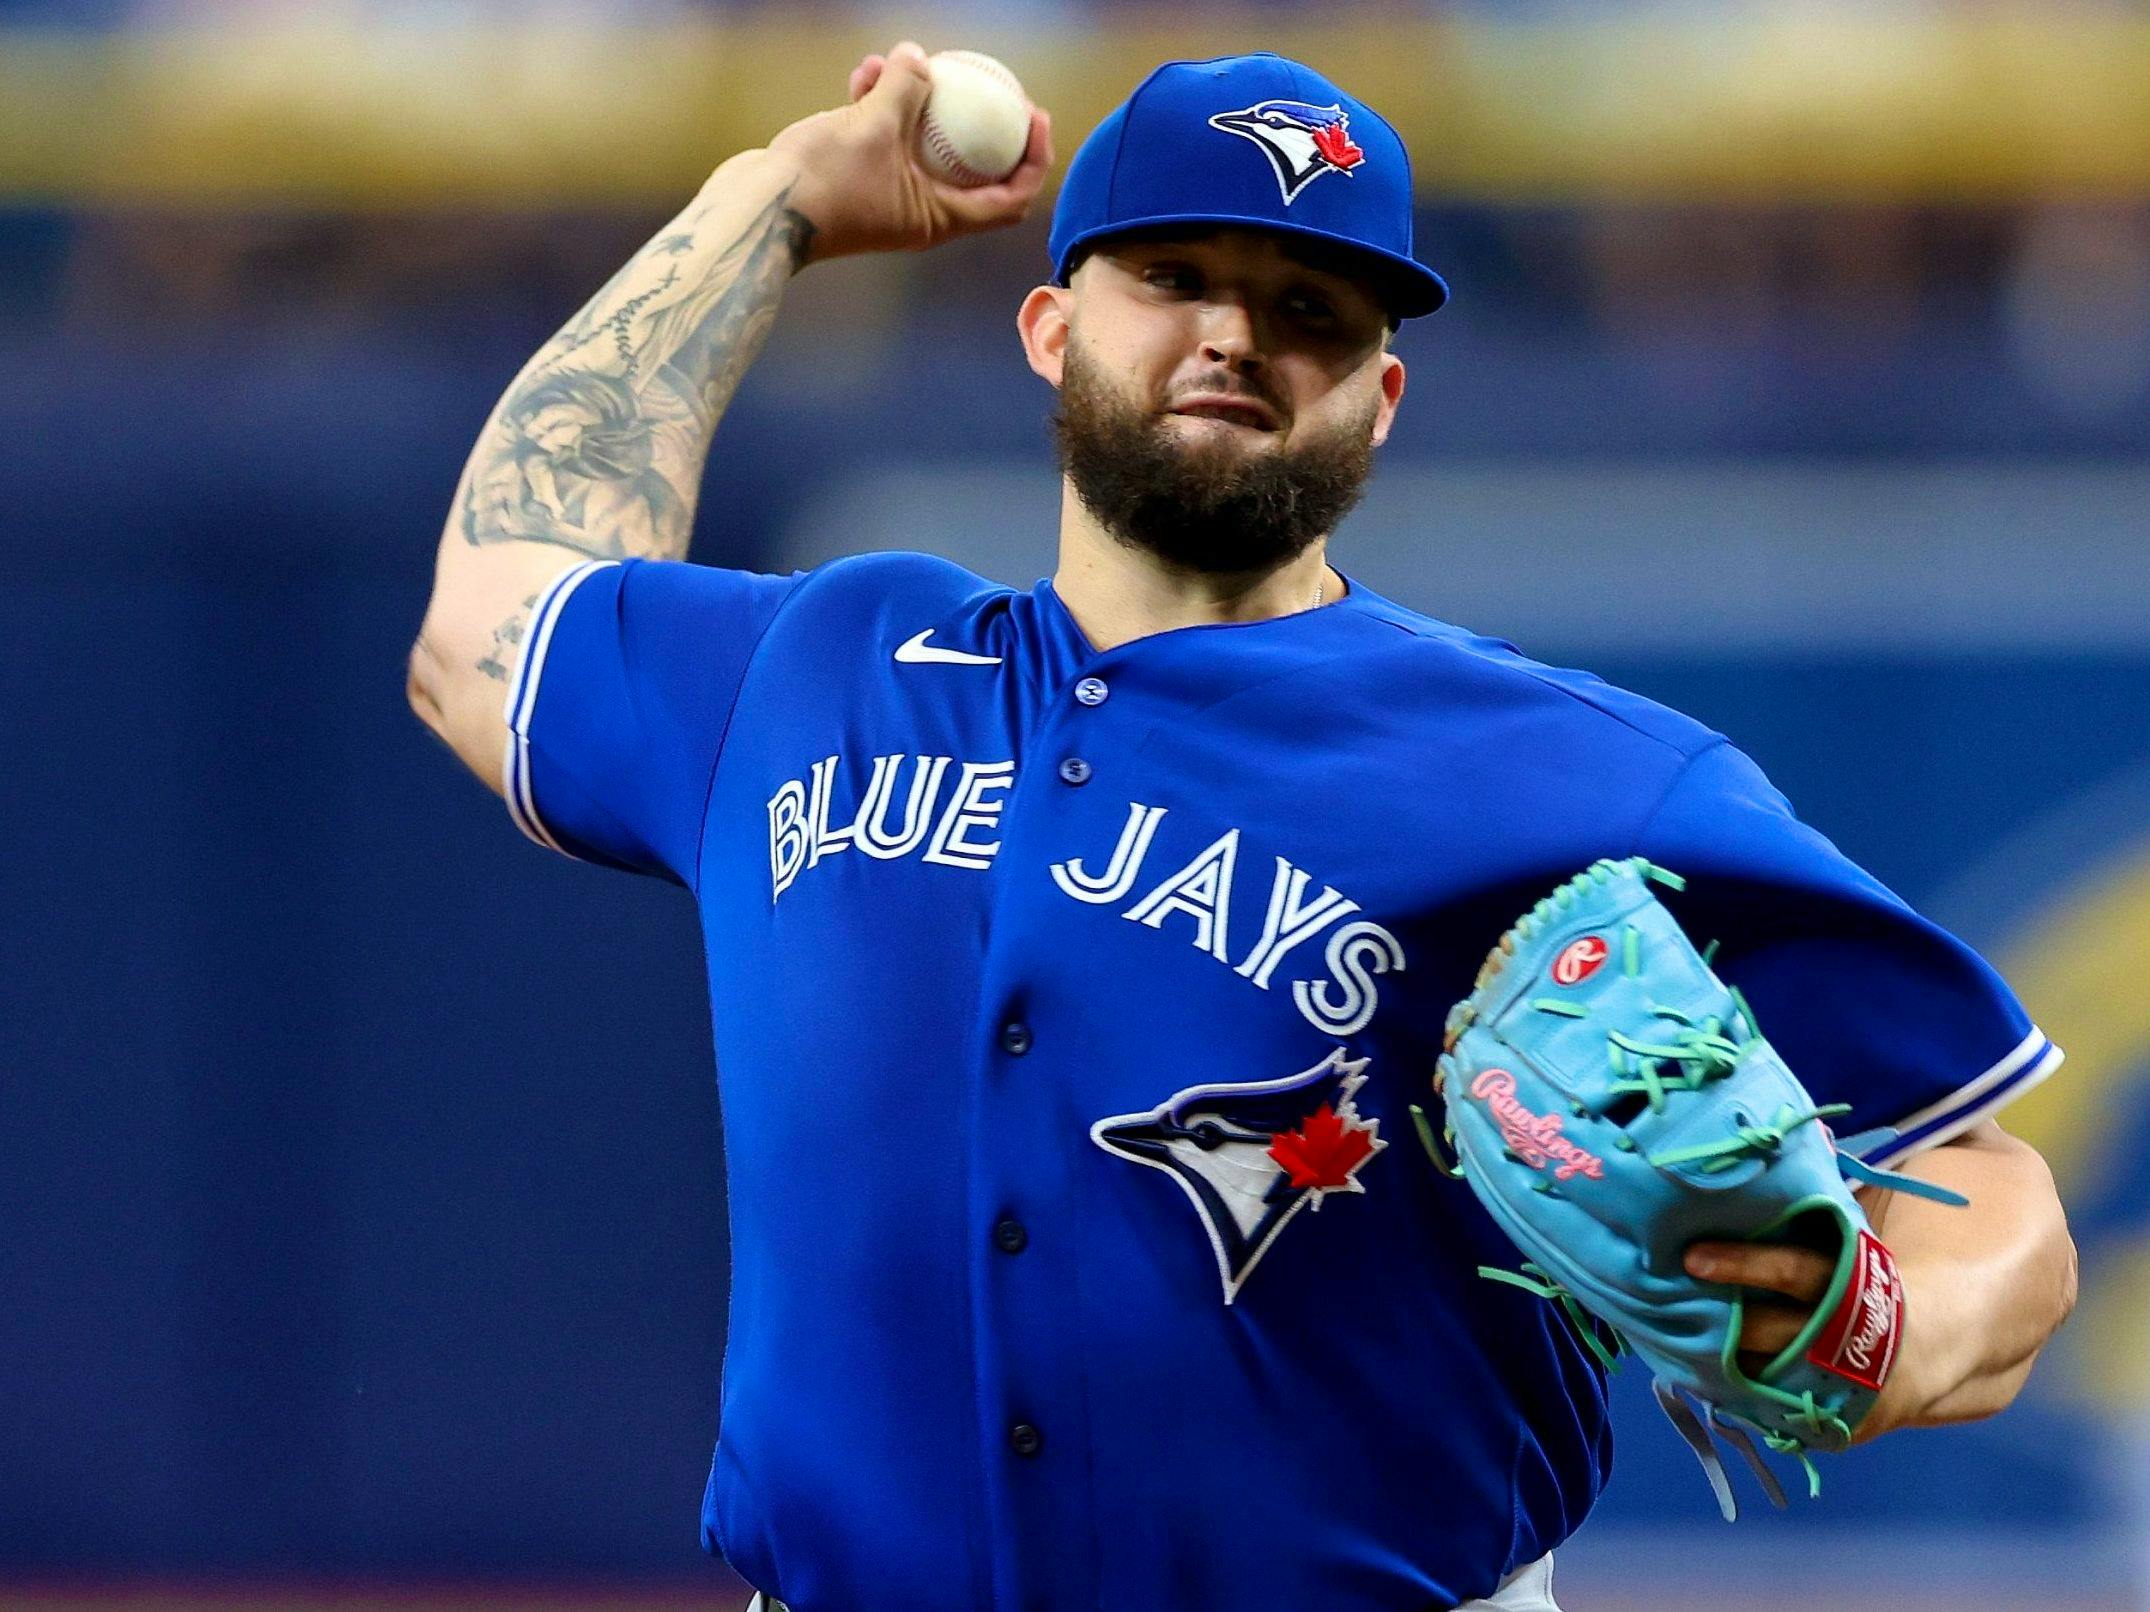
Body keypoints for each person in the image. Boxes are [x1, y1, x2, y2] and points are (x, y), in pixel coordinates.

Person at [407, 45, 2078, 1612]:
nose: (1233, 334)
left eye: (1307, 305)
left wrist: (1878, 1331)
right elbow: (490, 609)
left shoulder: (1565, 775)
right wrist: (768, 199)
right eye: (1176, 279)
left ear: (1381, 395)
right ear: (1051, 327)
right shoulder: (815, 667)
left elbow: (1994, 1190)